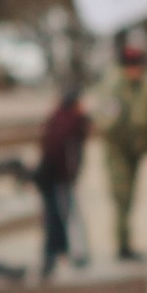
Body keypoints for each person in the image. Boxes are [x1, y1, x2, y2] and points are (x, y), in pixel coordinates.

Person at [95, 37, 147, 262]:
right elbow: (105, 121)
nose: (137, 71)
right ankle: (122, 244)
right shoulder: (114, 87)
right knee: (121, 197)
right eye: (133, 67)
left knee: (131, 197)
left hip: (135, 149)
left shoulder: (144, 86)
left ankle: (126, 241)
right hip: (117, 151)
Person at [34, 84, 91, 280]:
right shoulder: (72, 122)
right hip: (58, 177)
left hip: (50, 175)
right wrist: (70, 175)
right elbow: (65, 153)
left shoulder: (58, 118)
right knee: (67, 215)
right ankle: (73, 253)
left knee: (54, 216)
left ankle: (55, 254)